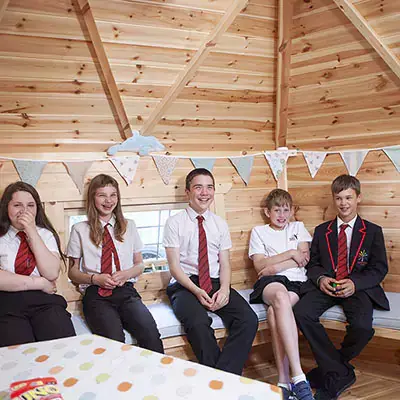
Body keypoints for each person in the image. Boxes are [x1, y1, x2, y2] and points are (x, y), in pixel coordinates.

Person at [294, 175, 390, 400]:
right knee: (301, 312)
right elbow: (314, 264)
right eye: (339, 198)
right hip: (327, 286)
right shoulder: (321, 231)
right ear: (333, 199)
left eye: (348, 197)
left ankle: (332, 368)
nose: (344, 203)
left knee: (363, 327)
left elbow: (379, 268)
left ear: (358, 198)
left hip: (357, 288)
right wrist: (320, 280)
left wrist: (355, 284)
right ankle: (339, 371)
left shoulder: (373, 231)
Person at [163, 168, 258, 375]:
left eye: (209, 187)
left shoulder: (219, 224)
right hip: (184, 284)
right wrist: (197, 291)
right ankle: (222, 381)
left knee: (248, 319)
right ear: (187, 192)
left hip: (215, 281)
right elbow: (174, 267)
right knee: (198, 323)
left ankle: (223, 377)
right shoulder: (174, 223)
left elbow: (225, 263)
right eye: (198, 187)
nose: (204, 193)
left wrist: (224, 289)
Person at [67, 174, 163, 353]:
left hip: (126, 291)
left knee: (150, 333)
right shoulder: (79, 230)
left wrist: (127, 274)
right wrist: (95, 279)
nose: (108, 200)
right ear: (92, 198)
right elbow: (72, 272)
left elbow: (140, 264)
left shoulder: (129, 226)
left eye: (113, 195)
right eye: (102, 195)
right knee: (114, 341)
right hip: (96, 294)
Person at [249, 189, 314, 400]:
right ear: (267, 212)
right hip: (270, 283)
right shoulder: (259, 232)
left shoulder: (298, 227)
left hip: (297, 282)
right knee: (280, 297)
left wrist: (274, 266)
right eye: (277, 209)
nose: (282, 214)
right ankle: (299, 376)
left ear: (292, 211)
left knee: (273, 313)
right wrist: (291, 254)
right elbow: (260, 265)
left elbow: (304, 259)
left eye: (286, 210)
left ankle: (283, 382)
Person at [0, 182, 76, 346]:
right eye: (17, 205)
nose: (24, 211)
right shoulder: (1, 237)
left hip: (45, 302)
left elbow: (51, 273)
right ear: (7, 207)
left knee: (62, 345)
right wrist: (39, 282)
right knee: (19, 354)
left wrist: (32, 231)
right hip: (7, 304)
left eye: (30, 205)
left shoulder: (45, 235)